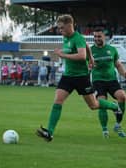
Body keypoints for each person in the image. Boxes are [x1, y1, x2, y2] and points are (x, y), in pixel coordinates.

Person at [36, 14, 122, 142]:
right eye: (59, 28)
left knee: (94, 105)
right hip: (68, 76)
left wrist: (62, 55)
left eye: (61, 28)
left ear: (70, 26)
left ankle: (114, 107)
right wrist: (91, 58)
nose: (60, 31)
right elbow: (87, 46)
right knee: (58, 100)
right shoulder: (66, 38)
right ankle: (50, 132)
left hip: (81, 77)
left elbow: (82, 56)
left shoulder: (77, 38)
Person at [90, 27, 126, 138]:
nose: (96, 39)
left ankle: (118, 125)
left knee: (122, 97)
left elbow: (118, 65)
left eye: (99, 36)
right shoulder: (90, 51)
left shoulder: (112, 49)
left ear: (105, 37)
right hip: (98, 81)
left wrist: (125, 75)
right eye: (95, 36)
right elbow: (87, 67)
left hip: (112, 80)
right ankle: (105, 130)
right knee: (102, 102)